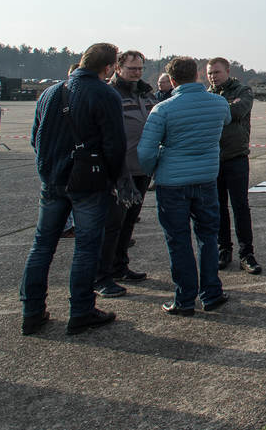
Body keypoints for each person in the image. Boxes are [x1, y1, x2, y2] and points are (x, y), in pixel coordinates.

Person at [19, 43, 126, 336]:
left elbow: (35, 138)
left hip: (52, 179)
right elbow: (115, 145)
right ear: (108, 68)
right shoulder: (105, 94)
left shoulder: (50, 92)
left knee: (42, 246)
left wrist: (50, 168)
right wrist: (113, 179)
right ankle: (81, 310)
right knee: (87, 248)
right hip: (88, 183)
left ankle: (31, 311)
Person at [138, 57, 231, 316]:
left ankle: (185, 298)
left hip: (172, 183)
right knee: (208, 238)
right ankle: (211, 293)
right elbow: (226, 121)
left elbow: (145, 152)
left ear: (172, 80)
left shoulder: (163, 109)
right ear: (198, 75)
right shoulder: (219, 103)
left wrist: (154, 169)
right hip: (206, 179)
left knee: (178, 241)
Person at [94, 50, 155, 297]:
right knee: (111, 225)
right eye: (132, 69)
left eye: (140, 68)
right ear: (118, 69)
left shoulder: (146, 93)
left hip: (142, 168)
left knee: (129, 221)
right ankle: (101, 276)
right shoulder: (109, 94)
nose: (137, 73)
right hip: (118, 170)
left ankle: (120, 266)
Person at [206, 57, 260, 274]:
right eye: (210, 73)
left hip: (236, 158)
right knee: (218, 207)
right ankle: (224, 249)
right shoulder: (207, 94)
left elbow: (237, 112)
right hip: (214, 159)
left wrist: (213, 109)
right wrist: (225, 106)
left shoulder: (243, 90)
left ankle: (246, 253)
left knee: (240, 207)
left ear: (227, 71)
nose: (213, 76)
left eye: (217, 72)